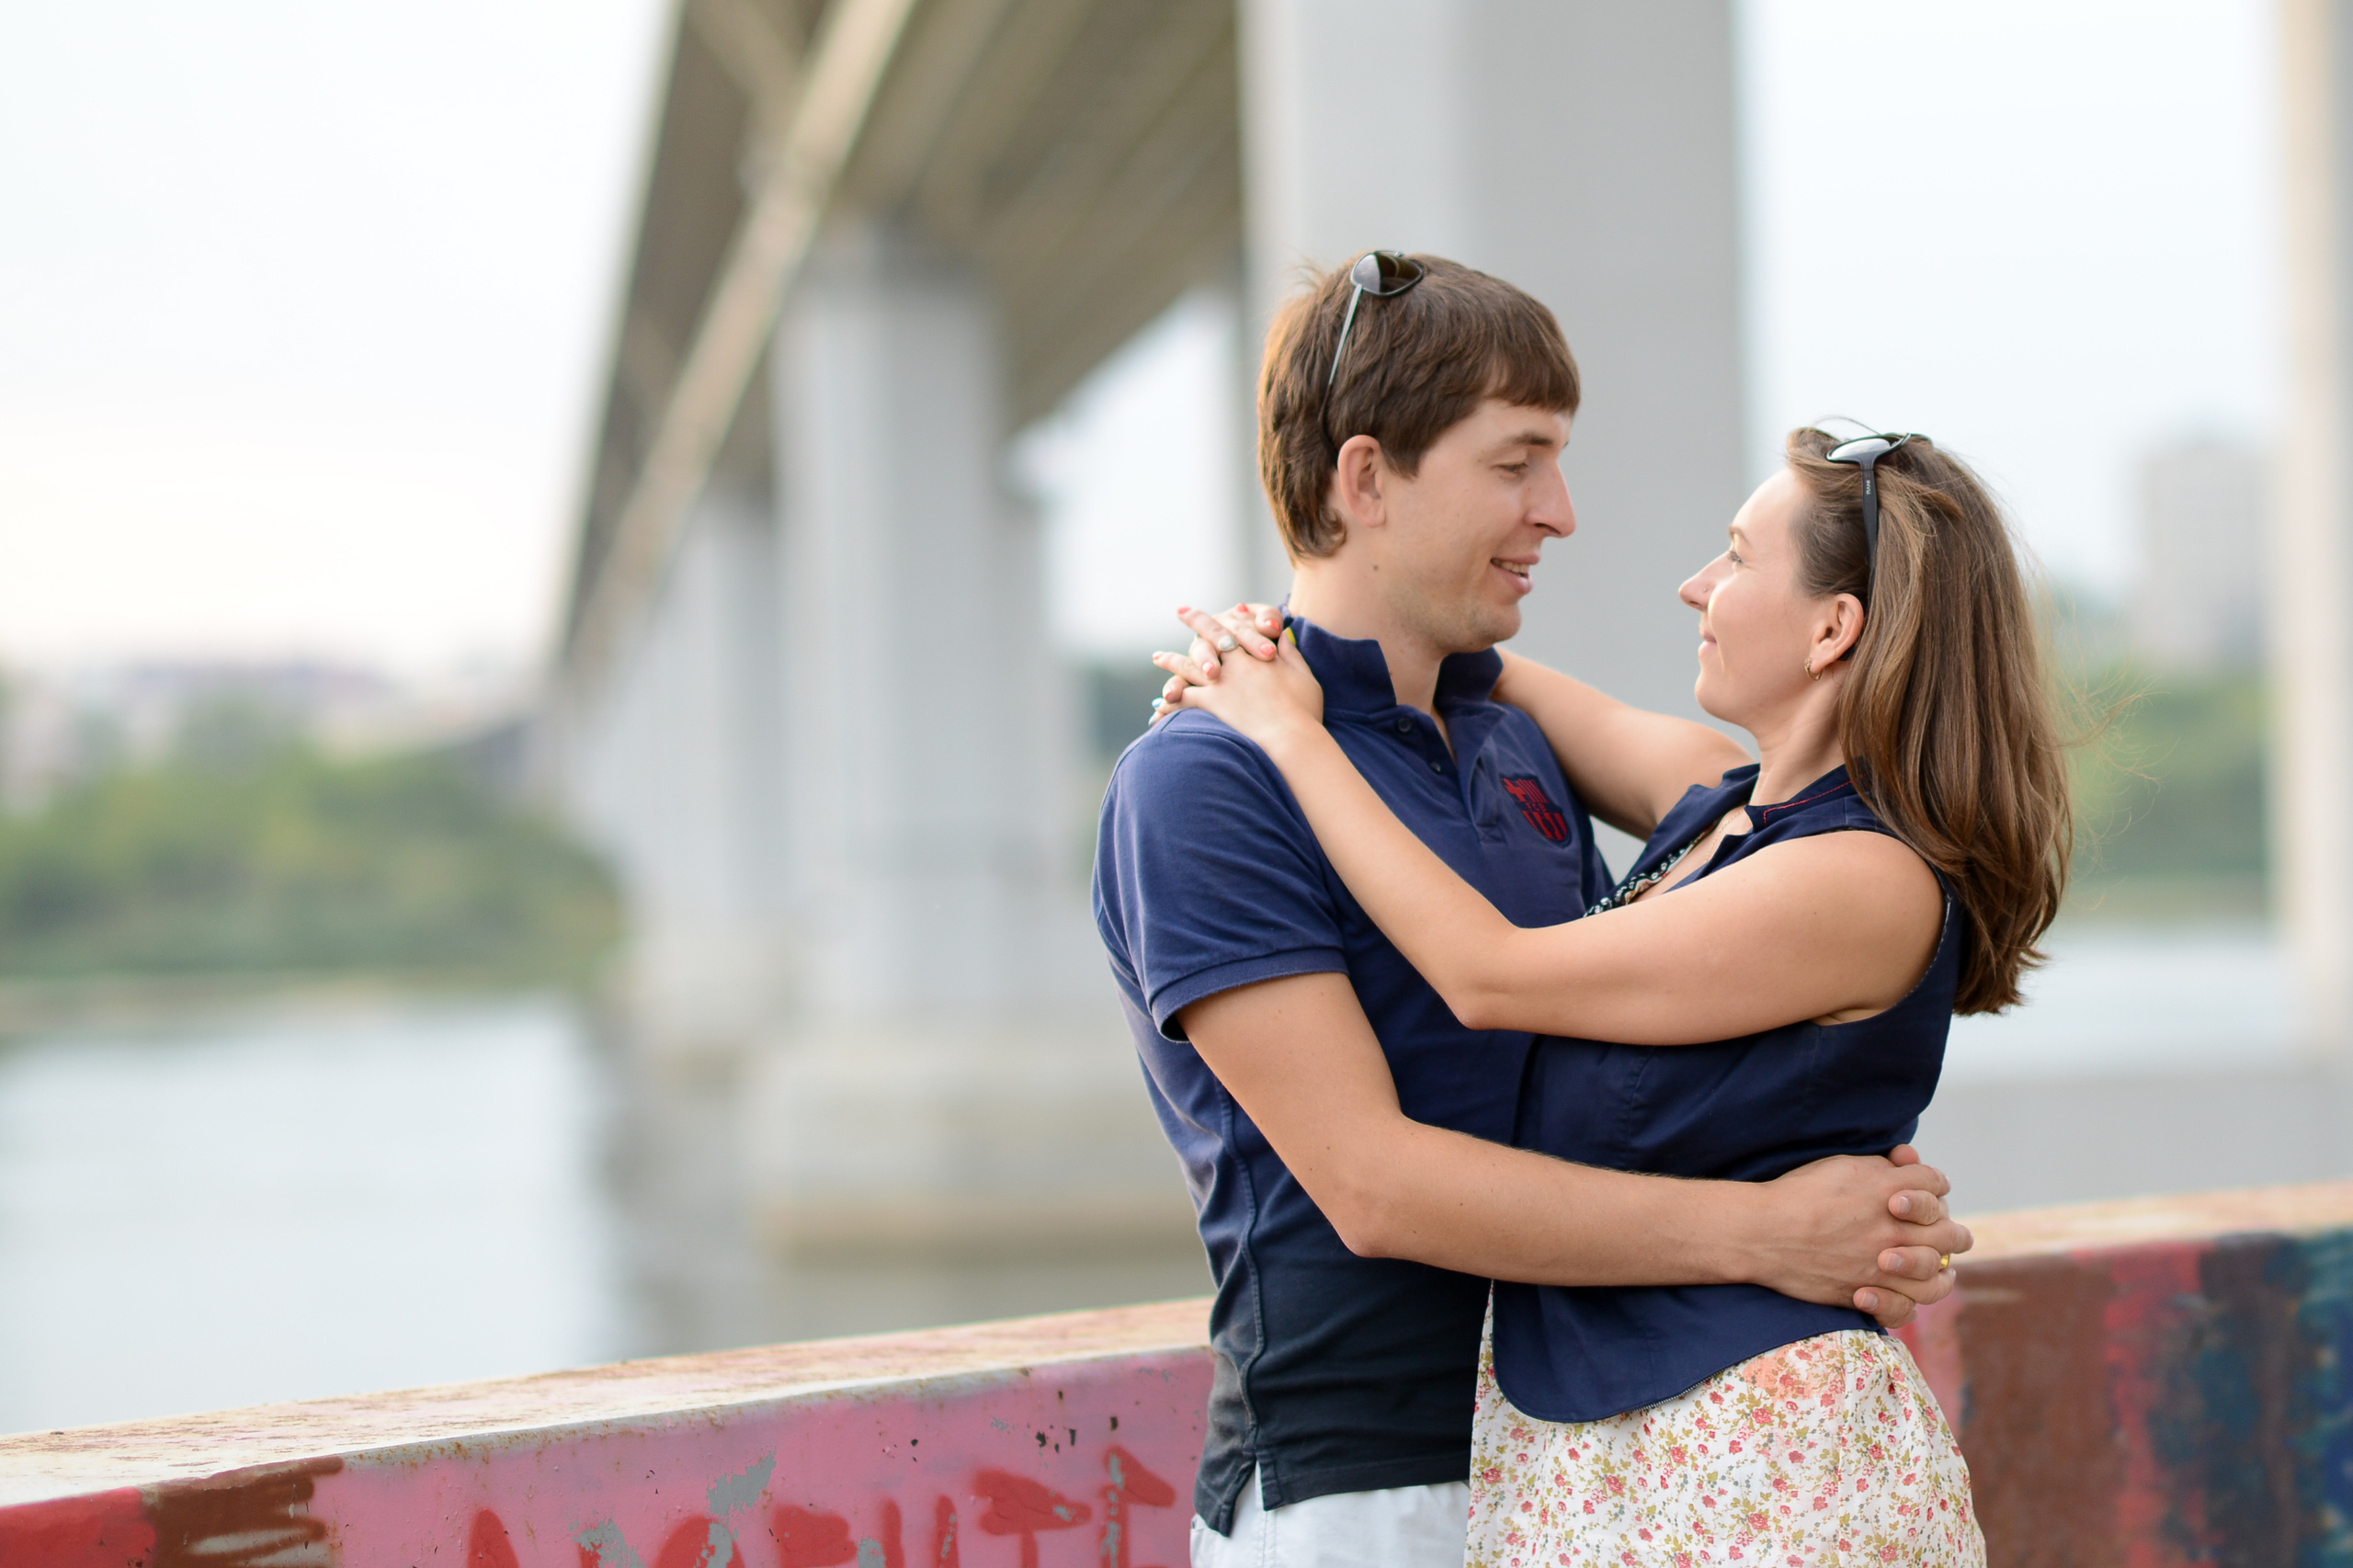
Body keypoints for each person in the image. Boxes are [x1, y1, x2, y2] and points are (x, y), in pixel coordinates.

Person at [1091, 251, 1973, 1568]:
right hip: (1365, 1489)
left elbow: (1757, 830)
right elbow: (1373, 1185)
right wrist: (1770, 1233)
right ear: (1366, 479)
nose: (1559, 510)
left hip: (1604, 1464)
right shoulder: (1210, 777)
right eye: (1516, 463)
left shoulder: (1511, 740)